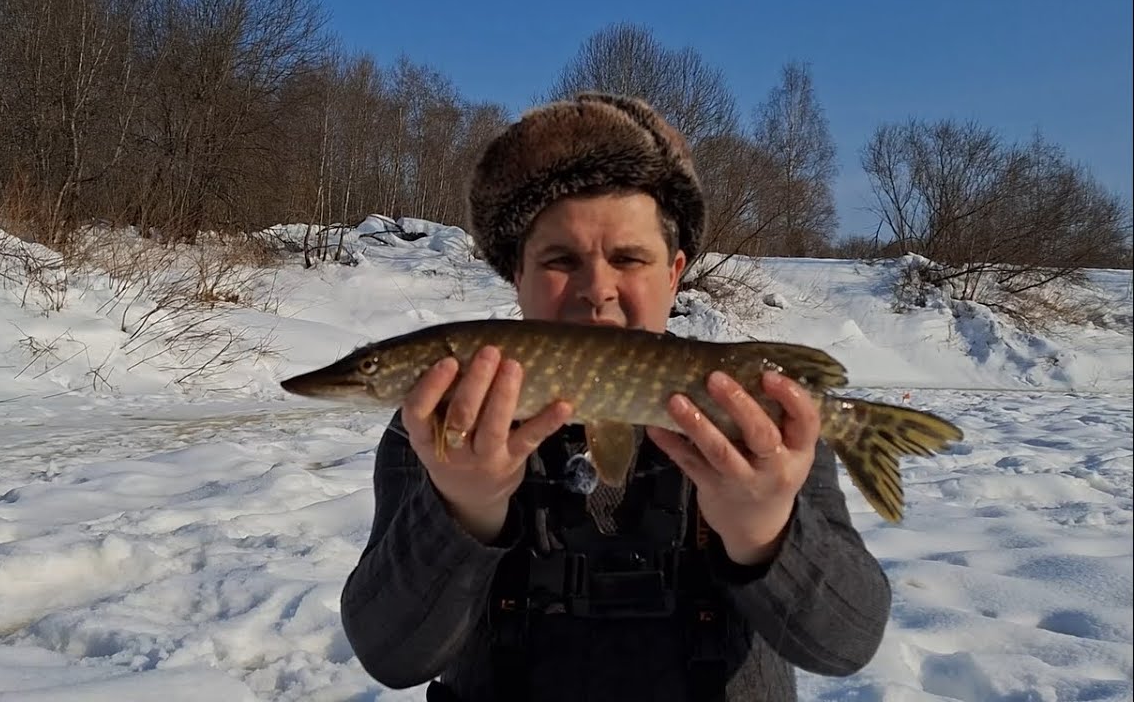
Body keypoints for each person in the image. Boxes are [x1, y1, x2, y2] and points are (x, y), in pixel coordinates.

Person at [339, 92, 891, 701]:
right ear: (515, 273)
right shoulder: (434, 430)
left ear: (674, 272)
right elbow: (391, 655)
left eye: (629, 257)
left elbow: (846, 644)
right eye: (559, 259)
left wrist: (765, 532)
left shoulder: (761, 429)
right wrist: (461, 511)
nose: (596, 288)